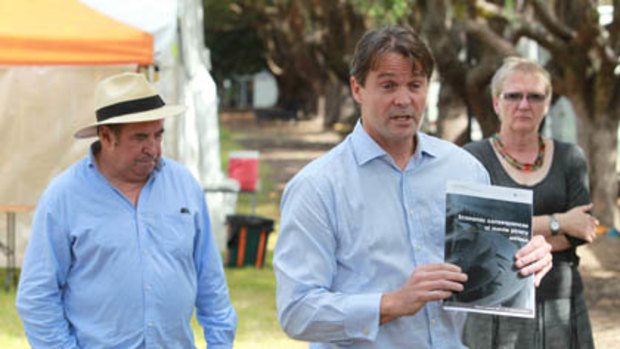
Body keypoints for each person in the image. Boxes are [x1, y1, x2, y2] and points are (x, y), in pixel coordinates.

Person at [273, 25, 552, 349]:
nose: (404, 99)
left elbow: (487, 279)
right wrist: (390, 304)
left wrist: (523, 265)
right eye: (388, 85)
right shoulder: (317, 188)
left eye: (415, 85)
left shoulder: (465, 170)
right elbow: (296, 311)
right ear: (357, 88)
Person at [16, 72, 237, 348]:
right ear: (107, 136)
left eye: (159, 135)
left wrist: (220, 344)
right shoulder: (63, 197)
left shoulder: (184, 185)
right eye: (140, 137)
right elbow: (37, 296)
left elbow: (211, 282)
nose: (153, 149)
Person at [462, 57, 598, 348]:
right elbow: (472, 234)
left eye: (535, 96)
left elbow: (583, 231)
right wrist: (558, 222)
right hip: (493, 304)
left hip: (560, 303)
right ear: (497, 102)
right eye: (513, 95)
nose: (524, 105)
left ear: (547, 103)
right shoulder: (472, 159)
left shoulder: (570, 158)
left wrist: (504, 230)